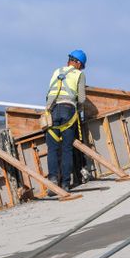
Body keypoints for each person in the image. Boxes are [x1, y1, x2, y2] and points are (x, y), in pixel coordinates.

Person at [44, 49, 87, 192]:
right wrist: (78, 109)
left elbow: (49, 94)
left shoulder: (57, 71)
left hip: (52, 111)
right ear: (79, 63)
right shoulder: (79, 74)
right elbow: (82, 99)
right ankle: (65, 184)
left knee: (52, 149)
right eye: (81, 66)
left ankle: (52, 180)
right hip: (68, 110)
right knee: (67, 148)